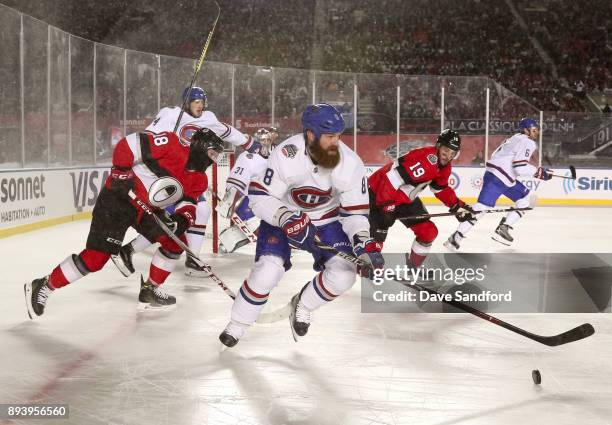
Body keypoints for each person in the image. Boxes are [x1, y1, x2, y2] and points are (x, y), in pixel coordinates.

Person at [218, 104, 384, 347]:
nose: (335, 142)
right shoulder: (287, 154)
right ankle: (238, 324)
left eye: (338, 136)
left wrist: (362, 240)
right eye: (329, 137)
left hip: (326, 220)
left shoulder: (350, 162)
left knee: (344, 275)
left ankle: (303, 305)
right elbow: (260, 197)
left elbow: (355, 213)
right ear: (310, 135)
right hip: (283, 217)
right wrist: (286, 217)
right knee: (267, 272)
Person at [24, 128, 224, 318]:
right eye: (212, 154)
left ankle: (150, 289)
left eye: (216, 157)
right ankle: (44, 285)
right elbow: (126, 145)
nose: (213, 160)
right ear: (200, 146)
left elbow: (188, 206)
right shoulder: (171, 143)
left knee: (174, 242)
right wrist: (122, 172)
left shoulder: (199, 180)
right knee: (95, 259)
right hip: (118, 198)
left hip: (146, 210)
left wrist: (181, 220)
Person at [112, 86, 262, 278]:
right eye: (196, 102)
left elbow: (228, 132)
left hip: (188, 176)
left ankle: (193, 259)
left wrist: (250, 144)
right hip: (168, 173)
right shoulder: (169, 114)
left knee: (202, 210)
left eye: (202, 103)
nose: (200, 106)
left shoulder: (208, 119)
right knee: (171, 221)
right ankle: (128, 251)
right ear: (186, 103)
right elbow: (149, 136)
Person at [368, 129, 473, 269]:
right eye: (446, 150)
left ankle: (413, 267)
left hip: (403, 199)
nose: (448, 156)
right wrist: (387, 206)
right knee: (376, 240)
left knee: (428, 232)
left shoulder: (445, 166)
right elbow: (390, 179)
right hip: (379, 194)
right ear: (438, 146)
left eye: (453, 153)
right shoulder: (426, 159)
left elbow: (440, 189)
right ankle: (366, 264)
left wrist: (456, 205)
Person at [444, 118, 551, 249]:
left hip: (503, 178)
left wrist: (538, 172)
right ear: (526, 130)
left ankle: (503, 228)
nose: (536, 133)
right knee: (480, 209)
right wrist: (540, 173)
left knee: (526, 199)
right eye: (534, 130)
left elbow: (497, 155)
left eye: (537, 130)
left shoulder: (514, 138)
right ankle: (455, 237)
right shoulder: (528, 142)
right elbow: (519, 166)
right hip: (498, 178)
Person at [217, 127, 279, 253]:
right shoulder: (248, 156)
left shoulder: (277, 155)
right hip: (252, 197)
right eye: (262, 140)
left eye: (267, 139)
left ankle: (237, 236)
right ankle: (230, 200)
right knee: (249, 218)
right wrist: (232, 194)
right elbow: (238, 175)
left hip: (273, 198)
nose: (265, 142)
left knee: (270, 219)